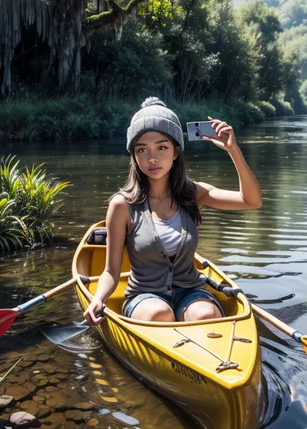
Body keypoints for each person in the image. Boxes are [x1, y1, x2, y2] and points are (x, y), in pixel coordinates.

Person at [84, 97, 261, 326]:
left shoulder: (195, 194)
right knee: (160, 314)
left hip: (191, 292)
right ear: (134, 156)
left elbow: (251, 201)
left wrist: (233, 150)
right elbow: (110, 271)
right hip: (144, 298)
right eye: (142, 150)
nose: (153, 157)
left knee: (206, 316)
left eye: (162, 147)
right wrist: (99, 299)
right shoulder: (122, 205)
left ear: (176, 152)